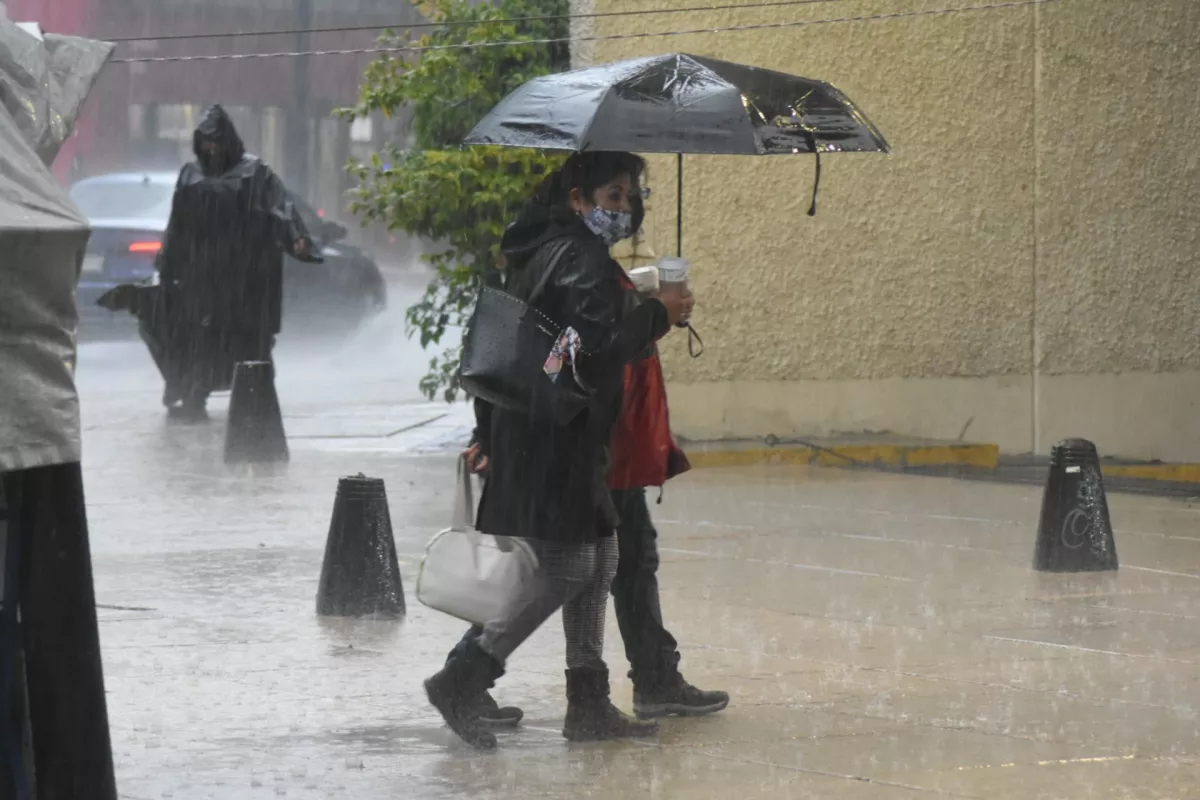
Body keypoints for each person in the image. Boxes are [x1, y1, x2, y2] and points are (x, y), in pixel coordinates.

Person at [424, 151, 694, 750]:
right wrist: (657, 314)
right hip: (552, 437)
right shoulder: (575, 255)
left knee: (601, 559)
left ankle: (588, 702)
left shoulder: (555, 249)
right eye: (613, 196)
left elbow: (561, 336)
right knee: (567, 567)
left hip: (556, 431)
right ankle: (463, 677)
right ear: (578, 198)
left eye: (630, 196)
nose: (624, 209)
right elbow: (595, 345)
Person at [155, 104, 317, 421]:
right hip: (202, 274)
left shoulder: (255, 172)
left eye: (215, 141)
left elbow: (281, 207)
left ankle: (257, 401)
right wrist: (168, 258)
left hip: (246, 274)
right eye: (205, 141)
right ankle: (194, 396)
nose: (211, 148)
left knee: (250, 340)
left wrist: (296, 236)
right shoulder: (191, 174)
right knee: (200, 338)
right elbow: (178, 222)